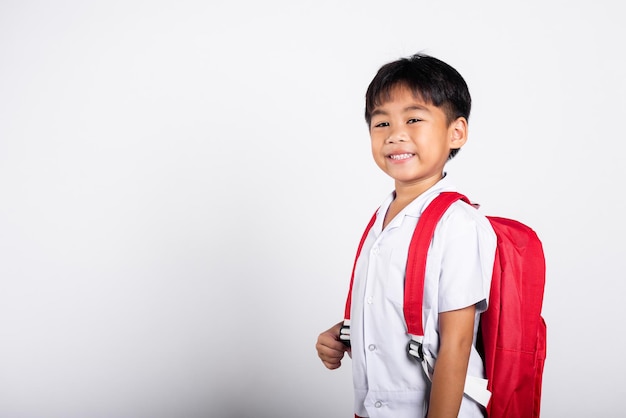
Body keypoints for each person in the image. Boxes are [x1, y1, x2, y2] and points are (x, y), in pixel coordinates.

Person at [315, 53, 497, 418]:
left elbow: (456, 345)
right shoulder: (381, 218)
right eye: (381, 123)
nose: (395, 134)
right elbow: (394, 312)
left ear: (456, 132)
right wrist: (346, 334)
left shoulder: (457, 224)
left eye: (414, 119)